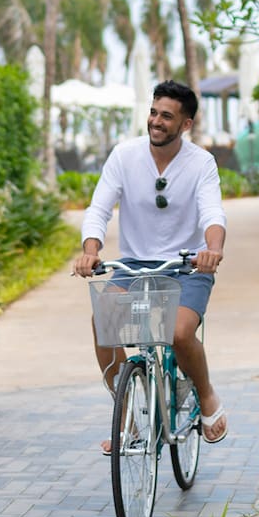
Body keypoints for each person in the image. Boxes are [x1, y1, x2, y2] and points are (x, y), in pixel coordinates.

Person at [74, 80, 230, 449]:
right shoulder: (124, 156)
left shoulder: (201, 163)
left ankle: (206, 393)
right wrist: (90, 250)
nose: (156, 121)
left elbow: (212, 212)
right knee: (103, 323)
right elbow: (99, 209)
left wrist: (212, 250)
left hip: (187, 265)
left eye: (167, 116)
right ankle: (126, 417)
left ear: (186, 124)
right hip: (133, 265)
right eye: (154, 112)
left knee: (178, 333)